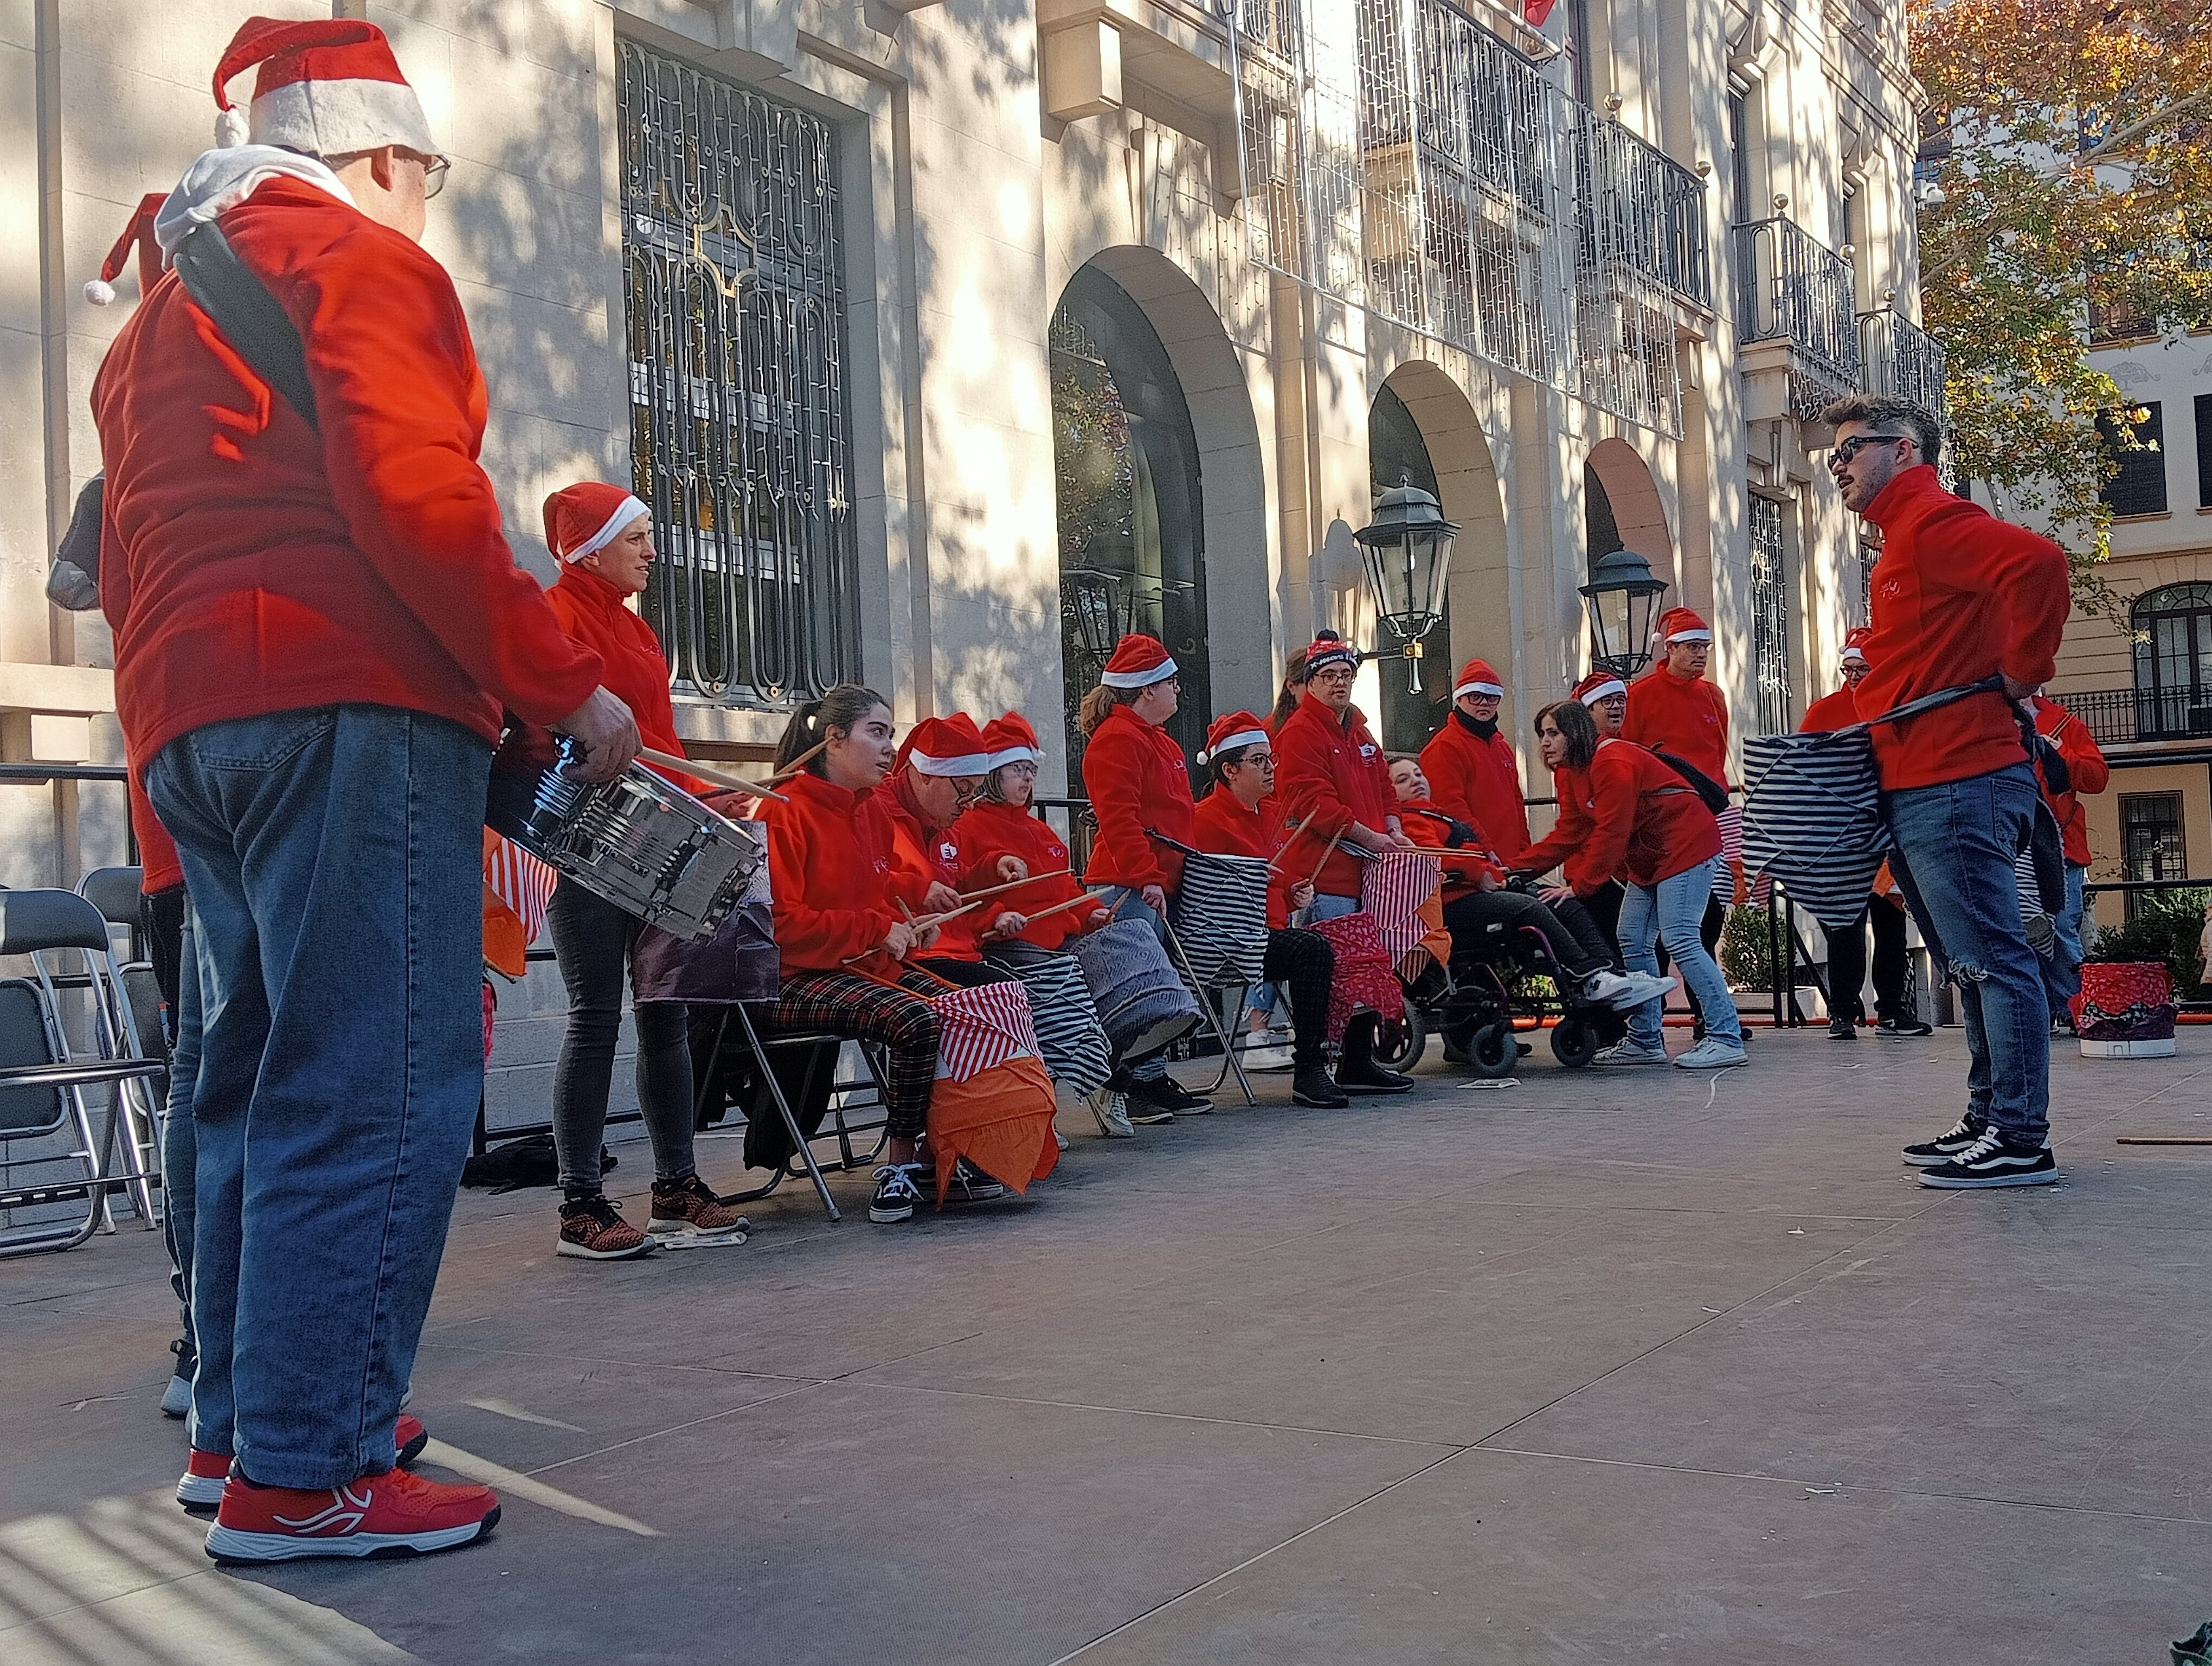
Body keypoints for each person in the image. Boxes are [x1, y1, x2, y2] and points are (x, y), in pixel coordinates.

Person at [97, 17, 642, 1561]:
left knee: (252, 1080)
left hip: (194, 730)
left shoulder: (147, 323)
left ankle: (243, 1429)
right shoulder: (369, 265)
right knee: (380, 1081)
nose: (431, 206)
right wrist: (562, 685)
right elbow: (421, 506)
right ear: (386, 156)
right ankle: (313, 1465)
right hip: (353, 707)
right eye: (433, 177)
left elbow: (132, 564)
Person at [1824, 392, 2071, 1188]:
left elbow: (2039, 562)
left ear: (1903, 451)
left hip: (1957, 774)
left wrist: (2025, 673)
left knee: (1993, 960)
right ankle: (1993, 1119)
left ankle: (2020, 1138)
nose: (1837, 464)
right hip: (1933, 776)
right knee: (1974, 963)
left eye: (1851, 448)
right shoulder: (1907, 538)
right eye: (1834, 453)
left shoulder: (1930, 523)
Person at [537, 484, 749, 1260]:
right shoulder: (551, 619)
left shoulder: (639, 632)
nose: (653, 553)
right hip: (584, 842)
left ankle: (675, 1187)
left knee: (665, 1009)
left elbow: (659, 741)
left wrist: (706, 799)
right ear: (590, 547)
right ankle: (581, 1204)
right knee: (596, 1013)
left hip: (656, 837)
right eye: (637, 539)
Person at [758, 690, 1009, 1224]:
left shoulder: (868, 809)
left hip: (856, 965)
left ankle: (947, 1150)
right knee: (916, 1019)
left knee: (973, 1007)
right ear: (833, 739)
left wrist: (914, 900)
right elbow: (782, 927)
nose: (890, 748)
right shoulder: (784, 810)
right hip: (798, 977)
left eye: (890, 734)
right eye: (877, 732)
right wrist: (878, 928)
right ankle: (899, 1167)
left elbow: (870, 881)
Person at [1514, 701, 1745, 1069]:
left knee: (1681, 938)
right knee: (1633, 939)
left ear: (1576, 733)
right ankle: (1645, 1040)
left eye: (1553, 733)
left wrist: (1581, 887)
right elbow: (1569, 833)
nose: (1545, 742)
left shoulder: (1612, 761)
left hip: (1685, 846)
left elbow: (1612, 831)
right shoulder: (1572, 772)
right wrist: (1513, 870)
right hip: (1653, 858)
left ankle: (1726, 1037)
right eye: (1542, 734)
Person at [1389, 754, 1667, 1019]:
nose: (1416, 781)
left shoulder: (1438, 816)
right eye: (1403, 779)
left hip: (1476, 891)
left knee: (1560, 899)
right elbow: (1434, 858)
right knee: (1528, 907)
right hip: (1450, 904)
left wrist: (1493, 872)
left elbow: (1470, 858)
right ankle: (1588, 976)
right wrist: (1481, 872)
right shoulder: (1409, 821)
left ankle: (1609, 973)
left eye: (1418, 774)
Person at [956, 713, 1126, 1137]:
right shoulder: (967, 825)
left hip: (1058, 938)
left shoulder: (1038, 829)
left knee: (1125, 960)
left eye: (1032, 770)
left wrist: (1091, 913)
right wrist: (996, 917)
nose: (1028, 779)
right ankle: (1047, 1101)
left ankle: (1114, 1076)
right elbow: (960, 891)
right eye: (1018, 769)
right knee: (1061, 981)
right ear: (994, 773)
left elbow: (1065, 886)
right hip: (1011, 946)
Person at [1272, 633, 1417, 1093]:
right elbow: (1317, 806)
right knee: (1333, 973)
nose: (1339, 683)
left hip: (1370, 869)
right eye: (1328, 676)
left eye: (1346, 675)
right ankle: (1318, 1066)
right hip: (1326, 873)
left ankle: (1358, 1060)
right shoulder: (1298, 733)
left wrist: (1393, 827)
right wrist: (1378, 838)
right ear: (1309, 683)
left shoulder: (1359, 728)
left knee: (1367, 966)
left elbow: (1384, 787)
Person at [1191, 712, 1354, 1108]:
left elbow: (1278, 881)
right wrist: (1272, 887)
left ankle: (1354, 1059)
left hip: (1263, 934)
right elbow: (1208, 894)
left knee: (1342, 944)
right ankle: (1310, 1068)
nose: (1270, 769)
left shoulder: (1270, 815)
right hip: (1225, 940)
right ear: (1229, 770)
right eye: (1259, 761)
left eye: (1271, 760)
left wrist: (1293, 893)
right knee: (1312, 949)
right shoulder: (1204, 820)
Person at [1077, 634, 1210, 1117]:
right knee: (1136, 990)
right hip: (1128, 882)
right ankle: (1126, 1081)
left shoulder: (1156, 740)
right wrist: (1145, 875)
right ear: (1147, 689)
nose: (1178, 690)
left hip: (1154, 878)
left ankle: (1148, 1080)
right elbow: (1119, 818)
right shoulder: (1117, 740)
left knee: (1154, 987)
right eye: (1171, 682)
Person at [1801, 629, 1926, 1041]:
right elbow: (1801, 766)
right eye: (1848, 670)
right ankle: (1842, 1012)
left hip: (1889, 830)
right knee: (1845, 924)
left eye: (1862, 670)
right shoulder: (1823, 711)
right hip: (1842, 835)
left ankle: (1891, 1010)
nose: (1854, 677)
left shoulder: (1896, 707)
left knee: (1891, 924)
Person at [1622, 608, 1735, 1034]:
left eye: (1704, 647)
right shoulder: (1642, 694)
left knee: (1706, 922)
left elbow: (1717, 759)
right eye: (1691, 647)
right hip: (1663, 826)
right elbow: (1627, 756)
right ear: (1669, 649)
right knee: (1667, 933)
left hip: (1707, 818)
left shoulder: (1714, 696)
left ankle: (1711, 1019)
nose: (1700, 655)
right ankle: (1662, 1027)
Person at [2030, 692, 2110, 1028]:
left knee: (2061, 928)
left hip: (2060, 844)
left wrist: (2060, 754)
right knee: (2023, 931)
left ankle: (2079, 1008)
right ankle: (2055, 1009)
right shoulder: (1986, 719)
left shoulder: (2066, 724)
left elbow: (2097, 778)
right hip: (2012, 841)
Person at [1418, 658, 1529, 864]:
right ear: (1459, 699)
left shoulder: (1501, 746)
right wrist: (1485, 850)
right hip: (1475, 862)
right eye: (1476, 697)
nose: (1485, 703)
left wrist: (1524, 851)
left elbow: (1517, 802)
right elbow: (1450, 807)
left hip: (1509, 861)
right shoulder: (1444, 747)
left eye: (1492, 698)